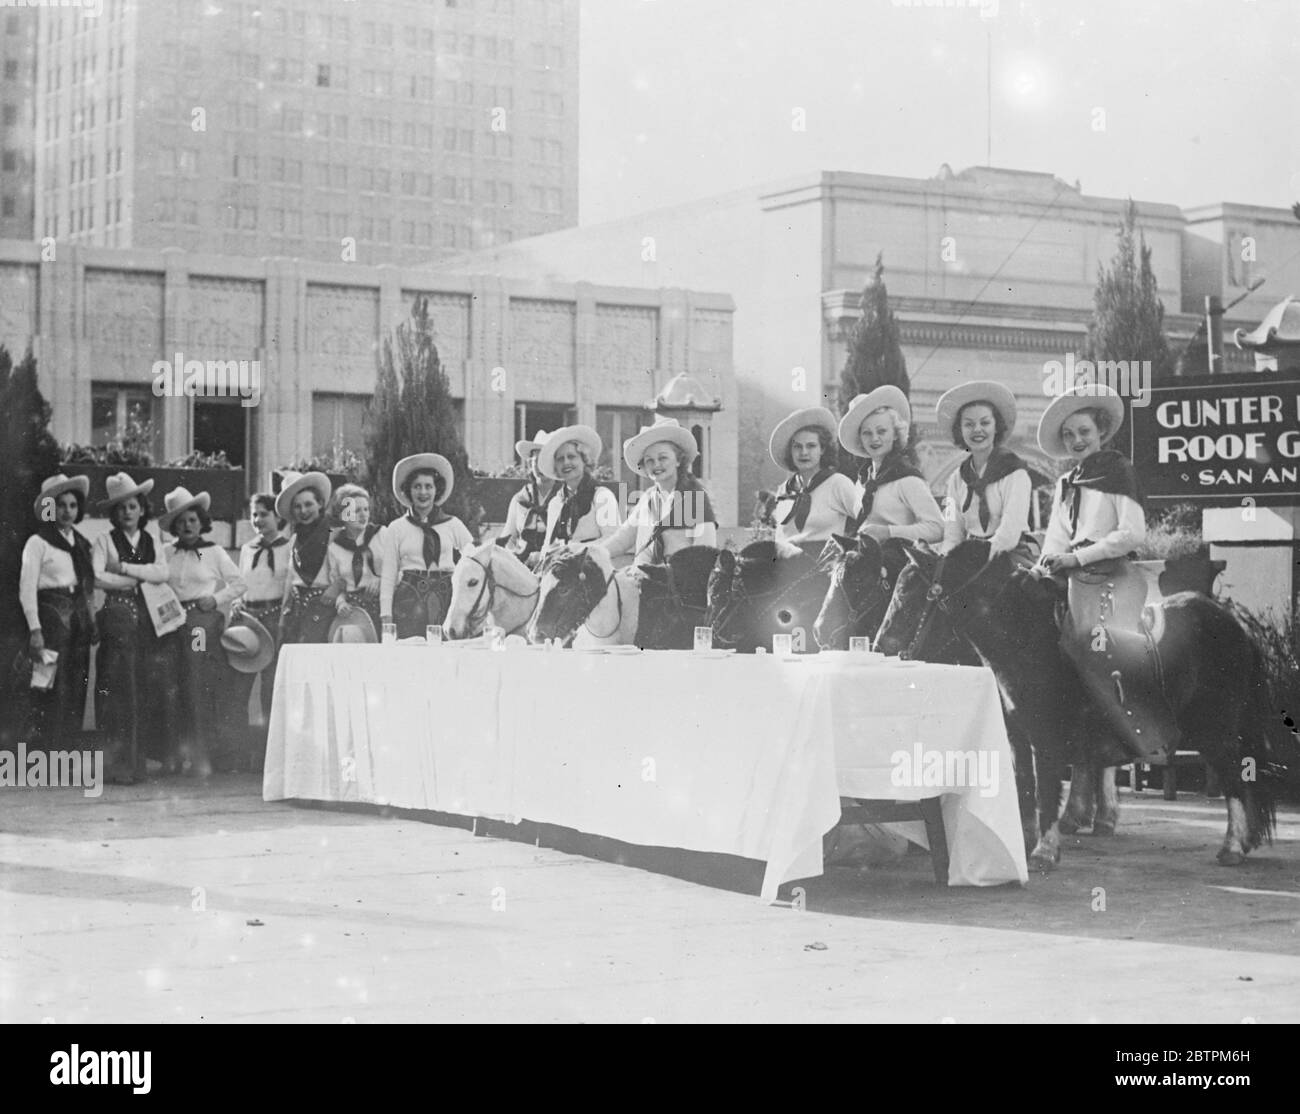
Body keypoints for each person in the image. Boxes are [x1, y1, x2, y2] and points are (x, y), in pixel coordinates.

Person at [1035, 383, 1147, 641]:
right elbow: (1057, 538)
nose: (1077, 440)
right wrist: (1038, 570)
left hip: (1113, 574)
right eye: (1068, 434)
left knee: (1106, 648)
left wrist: (1078, 558)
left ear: (1102, 430)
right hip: (1073, 576)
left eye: (1084, 431)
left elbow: (1132, 533)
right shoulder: (1066, 482)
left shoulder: (1119, 470)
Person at [158, 486, 245, 774]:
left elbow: (240, 583)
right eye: (181, 522)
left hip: (200, 625)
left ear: (201, 522)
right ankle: (173, 754)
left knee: (197, 683)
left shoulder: (214, 552)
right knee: (171, 685)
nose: (187, 526)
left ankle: (201, 755)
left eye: (192, 520)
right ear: (174, 526)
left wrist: (216, 599)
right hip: (170, 621)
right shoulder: (166, 552)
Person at [92, 472, 171, 783]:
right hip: (116, 615)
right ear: (114, 513)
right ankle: (117, 765)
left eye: (133, 506)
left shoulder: (152, 540)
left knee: (144, 687)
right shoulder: (103, 540)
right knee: (117, 687)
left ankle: (138, 763)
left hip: (149, 617)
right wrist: (138, 578)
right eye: (121, 508)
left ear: (142, 508)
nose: (128, 513)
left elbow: (162, 572)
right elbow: (98, 577)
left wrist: (125, 568)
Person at [18, 474, 95, 752]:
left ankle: (67, 751)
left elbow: (89, 586)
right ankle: (46, 754)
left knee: (76, 684)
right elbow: (27, 589)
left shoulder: (82, 544)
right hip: (50, 621)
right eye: (60, 504)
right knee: (48, 685)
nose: (66, 511)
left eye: (72, 505)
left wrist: (92, 620)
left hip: (78, 622)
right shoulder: (38, 543)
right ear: (49, 508)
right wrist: (35, 630)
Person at [934, 381, 1039, 564]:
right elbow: (952, 533)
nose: (977, 430)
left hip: (1009, 556)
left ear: (996, 426)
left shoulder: (1016, 473)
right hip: (968, 557)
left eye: (985, 422)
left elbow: (1009, 534)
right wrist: (943, 563)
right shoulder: (956, 480)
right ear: (960, 430)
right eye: (969, 424)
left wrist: (976, 559)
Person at [598, 417, 717, 567]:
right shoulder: (647, 498)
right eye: (649, 460)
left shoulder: (694, 498)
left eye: (663, 458)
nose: (656, 465)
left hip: (680, 583)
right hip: (641, 578)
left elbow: (705, 552)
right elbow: (622, 540)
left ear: (679, 460)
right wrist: (591, 554)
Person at [380, 454, 474, 638]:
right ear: (408, 491)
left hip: (446, 598)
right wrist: (386, 613)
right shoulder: (397, 528)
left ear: (436, 490)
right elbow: (389, 573)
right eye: (417, 487)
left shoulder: (452, 524)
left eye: (428, 486)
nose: (423, 493)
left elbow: (474, 557)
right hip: (408, 600)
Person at [838, 386, 943, 547]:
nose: (874, 439)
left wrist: (888, 532)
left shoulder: (907, 479)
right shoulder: (862, 481)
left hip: (899, 563)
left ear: (895, 434)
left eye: (881, 431)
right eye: (867, 433)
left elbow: (937, 528)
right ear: (860, 438)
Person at [230, 493, 289, 764]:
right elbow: (242, 584)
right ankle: (239, 753)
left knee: (270, 688)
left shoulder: (289, 547)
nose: (258, 520)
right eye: (254, 514)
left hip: (274, 618)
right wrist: (236, 605)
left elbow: (289, 587)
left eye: (264, 514)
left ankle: (269, 756)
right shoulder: (247, 549)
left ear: (278, 517)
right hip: (248, 620)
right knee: (239, 687)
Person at [767, 406, 858, 551]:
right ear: (790, 451)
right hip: (789, 568)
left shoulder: (838, 484)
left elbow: (866, 521)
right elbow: (780, 538)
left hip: (825, 568)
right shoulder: (785, 490)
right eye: (797, 447)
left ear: (822, 449)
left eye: (811, 446)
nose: (804, 452)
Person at [536, 425, 620, 554]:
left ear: (584, 460)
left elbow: (613, 540)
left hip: (594, 568)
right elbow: (548, 545)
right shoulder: (556, 502)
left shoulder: (602, 496)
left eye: (571, 456)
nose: (566, 463)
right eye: (560, 459)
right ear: (555, 467)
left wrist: (572, 550)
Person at [277, 471, 335, 645]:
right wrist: (282, 619)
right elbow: (289, 580)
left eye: (308, 504)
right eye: (297, 506)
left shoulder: (333, 534)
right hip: (295, 610)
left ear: (320, 504)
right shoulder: (295, 539)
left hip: (323, 608)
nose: (303, 511)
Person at [325, 483, 385, 634]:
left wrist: (381, 579)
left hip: (383, 606)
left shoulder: (381, 534)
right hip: (354, 613)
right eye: (356, 510)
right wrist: (340, 602)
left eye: (366, 509)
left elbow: (399, 568)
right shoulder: (334, 548)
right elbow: (338, 584)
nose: (364, 515)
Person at [498, 431, 555, 565]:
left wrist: (543, 557)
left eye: (546, 461)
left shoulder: (565, 497)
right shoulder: (520, 499)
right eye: (536, 461)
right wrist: (514, 555)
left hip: (555, 566)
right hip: (523, 567)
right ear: (530, 464)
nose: (541, 467)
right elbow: (508, 538)